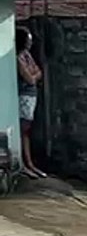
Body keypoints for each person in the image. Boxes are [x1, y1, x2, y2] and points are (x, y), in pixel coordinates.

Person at [15, 28, 46, 179]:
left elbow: (39, 72)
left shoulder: (26, 55)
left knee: (27, 129)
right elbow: (31, 78)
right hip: (24, 97)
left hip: (31, 96)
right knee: (24, 130)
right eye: (29, 39)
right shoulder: (18, 58)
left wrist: (33, 73)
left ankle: (29, 163)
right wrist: (33, 74)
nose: (31, 42)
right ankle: (25, 163)